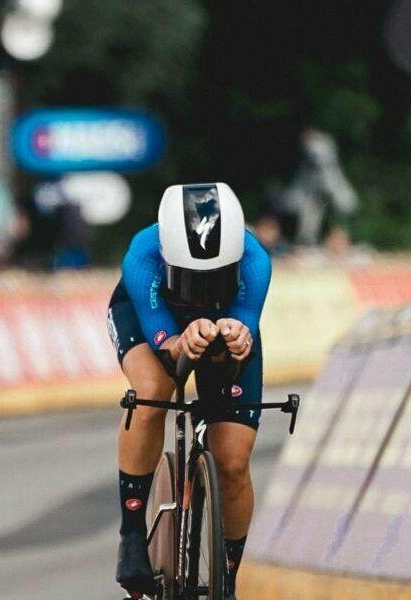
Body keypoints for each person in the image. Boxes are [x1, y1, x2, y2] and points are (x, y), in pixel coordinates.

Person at [110, 183, 270, 599]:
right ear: (167, 259)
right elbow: (165, 346)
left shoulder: (255, 263)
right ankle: (131, 534)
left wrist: (237, 338)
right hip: (151, 316)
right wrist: (178, 342)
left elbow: (240, 340)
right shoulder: (142, 256)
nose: (202, 289)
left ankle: (228, 578)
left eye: (216, 278)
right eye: (190, 278)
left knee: (233, 460)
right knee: (152, 391)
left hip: (224, 322)